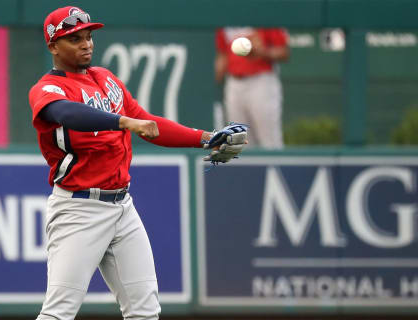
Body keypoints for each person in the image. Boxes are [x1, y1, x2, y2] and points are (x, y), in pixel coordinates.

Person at [28, 6, 228, 320]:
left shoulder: (106, 79)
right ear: (53, 46)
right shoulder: (48, 88)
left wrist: (206, 137)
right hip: (79, 209)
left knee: (145, 311)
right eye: (74, 38)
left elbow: (148, 124)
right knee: (59, 312)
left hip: (123, 207)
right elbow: (66, 114)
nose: (86, 44)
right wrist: (123, 121)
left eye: (89, 36)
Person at [215, 27, 290, 148]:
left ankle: (275, 167)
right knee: (239, 142)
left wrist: (263, 52)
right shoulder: (226, 19)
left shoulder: (264, 13)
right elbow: (222, 54)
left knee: (270, 141)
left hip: (261, 81)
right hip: (234, 82)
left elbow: (284, 52)